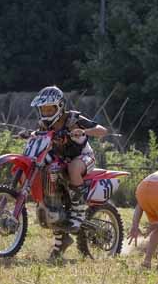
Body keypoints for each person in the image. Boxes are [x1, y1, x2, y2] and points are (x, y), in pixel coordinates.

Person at [30, 86, 109, 260]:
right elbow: (39, 138)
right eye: (43, 108)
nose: (46, 111)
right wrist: (28, 135)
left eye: (50, 108)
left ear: (59, 106)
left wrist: (84, 131)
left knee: (73, 167)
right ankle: (61, 242)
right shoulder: (43, 124)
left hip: (83, 158)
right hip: (60, 160)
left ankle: (79, 212)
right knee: (49, 190)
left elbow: (102, 131)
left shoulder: (73, 118)